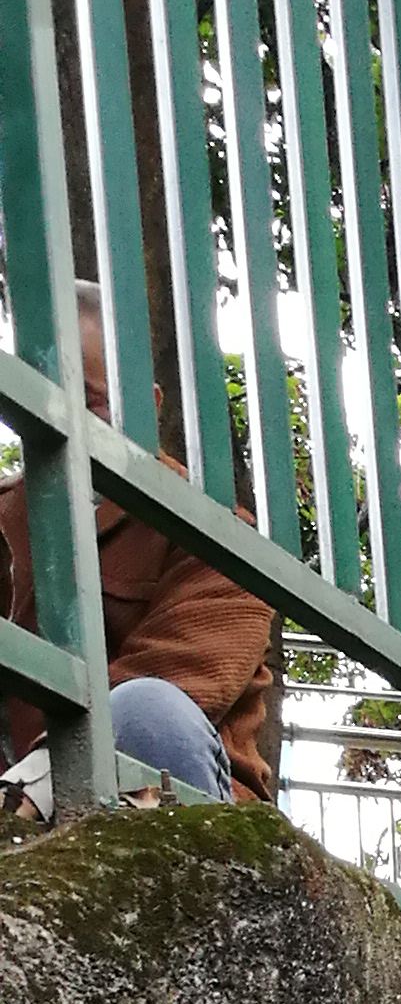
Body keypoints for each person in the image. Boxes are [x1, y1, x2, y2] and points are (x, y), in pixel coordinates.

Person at [0, 282, 276, 811]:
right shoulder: (6, 512)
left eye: (90, 400)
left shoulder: (216, 535)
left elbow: (180, 679)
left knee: (148, 708)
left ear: (145, 408)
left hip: (158, 781)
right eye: (40, 397)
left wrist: (35, 783)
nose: (60, 419)